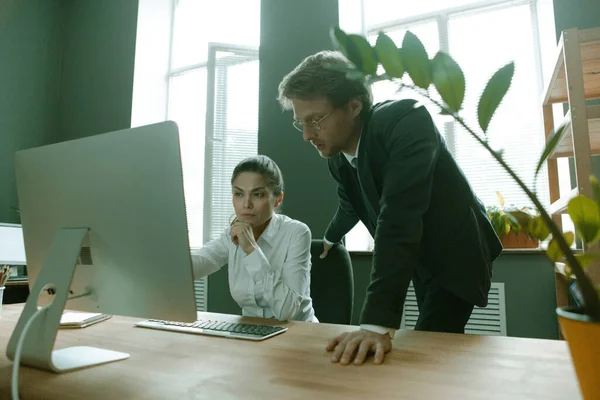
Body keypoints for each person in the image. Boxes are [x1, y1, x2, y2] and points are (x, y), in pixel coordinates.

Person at [277, 51, 502, 365]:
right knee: (438, 350)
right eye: (300, 122)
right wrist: (331, 238)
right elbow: (349, 206)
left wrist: (373, 325)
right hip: (421, 256)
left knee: (428, 351)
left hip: (457, 252)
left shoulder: (405, 121)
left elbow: (398, 217)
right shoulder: (339, 160)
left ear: (354, 105)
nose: (306, 135)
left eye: (315, 119)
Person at [191, 155, 318, 322]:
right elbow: (194, 266)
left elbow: (288, 312)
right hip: (252, 333)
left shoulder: (297, 233)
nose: (246, 204)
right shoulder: (230, 235)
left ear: (277, 200)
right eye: (239, 194)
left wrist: (251, 250)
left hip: (298, 333)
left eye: (257, 194)